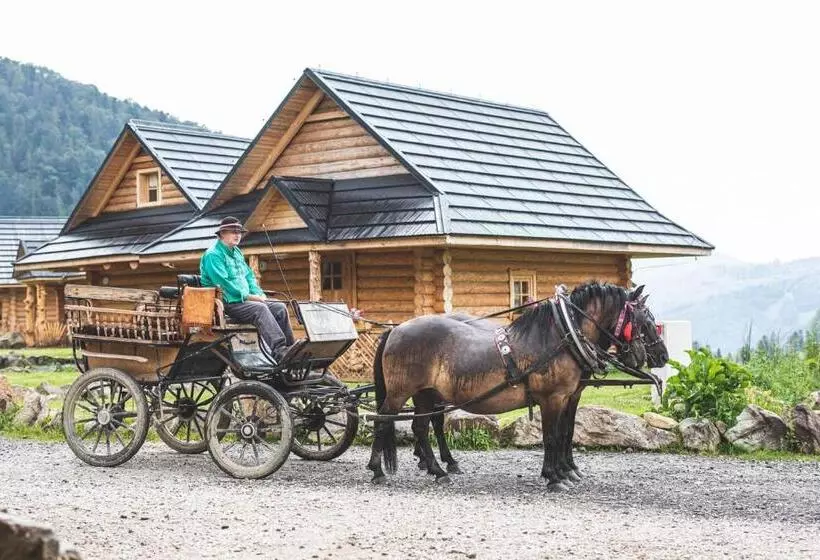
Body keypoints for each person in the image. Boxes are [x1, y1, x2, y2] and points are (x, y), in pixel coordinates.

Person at [199, 216, 296, 362]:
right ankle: (279, 350)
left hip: (245, 301)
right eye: (233, 231)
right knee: (260, 309)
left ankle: (292, 350)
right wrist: (250, 297)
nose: (237, 235)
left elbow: (249, 277)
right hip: (226, 303)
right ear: (222, 233)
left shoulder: (237, 252)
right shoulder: (213, 255)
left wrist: (259, 294)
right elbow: (223, 285)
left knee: (279, 307)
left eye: (239, 231)